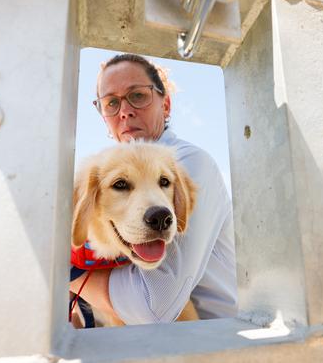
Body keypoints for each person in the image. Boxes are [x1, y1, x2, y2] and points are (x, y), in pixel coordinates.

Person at [70, 53, 237, 324]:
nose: (124, 111)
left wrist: (68, 276)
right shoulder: (101, 173)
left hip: (215, 339)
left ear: (166, 104)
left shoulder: (189, 160)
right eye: (111, 103)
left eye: (137, 96)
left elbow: (151, 308)